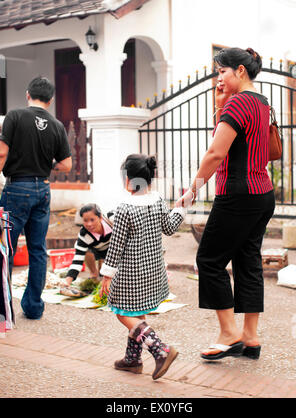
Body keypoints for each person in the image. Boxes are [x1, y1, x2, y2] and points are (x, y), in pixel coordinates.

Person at [176, 47, 275, 360]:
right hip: (263, 194)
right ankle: (250, 337)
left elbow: (216, 153)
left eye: (222, 71)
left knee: (209, 260)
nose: (218, 78)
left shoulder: (239, 102)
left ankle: (229, 334)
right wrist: (220, 106)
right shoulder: (261, 102)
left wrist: (192, 189)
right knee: (248, 261)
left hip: (238, 195)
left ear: (240, 71)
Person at [99, 154, 186, 380]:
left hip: (131, 272)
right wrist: (180, 209)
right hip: (153, 271)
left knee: (121, 311)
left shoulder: (125, 207)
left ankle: (160, 350)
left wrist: (107, 275)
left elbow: (116, 245)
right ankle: (132, 360)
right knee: (136, 313)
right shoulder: (157, 201)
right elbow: (169, 227)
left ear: (128, 180)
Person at [0, 76, 72, 320]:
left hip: (16, 189)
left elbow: (1, 152)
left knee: (5, 249)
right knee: (38, 250)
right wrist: (46, 164)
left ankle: (4, 308)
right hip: (42, 190)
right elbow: (66, 165)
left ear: (27, 94)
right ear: (50, 100)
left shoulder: (15, 116)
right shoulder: (57, 125)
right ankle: (33, 307)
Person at [60, 203, 113, 294]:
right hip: (98, 251)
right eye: (85, 220)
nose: (89, 224)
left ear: (100, 217)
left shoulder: (112, 219)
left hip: (116, 249)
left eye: (92, 220)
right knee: (85, 249)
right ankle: (94, 273)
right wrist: (67, 281)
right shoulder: (84, 235)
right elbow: (77, 260)